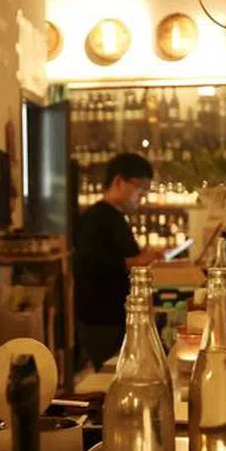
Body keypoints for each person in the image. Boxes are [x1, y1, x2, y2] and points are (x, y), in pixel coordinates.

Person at [73, 152, 163, 370]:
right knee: (112, 373)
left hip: (113, 315)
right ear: (118, 181)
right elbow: (90, 264)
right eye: (139, 187)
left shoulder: (113, 216)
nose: (142, 196)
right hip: (102, 318)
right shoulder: (95, 218)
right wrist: (137, 261)